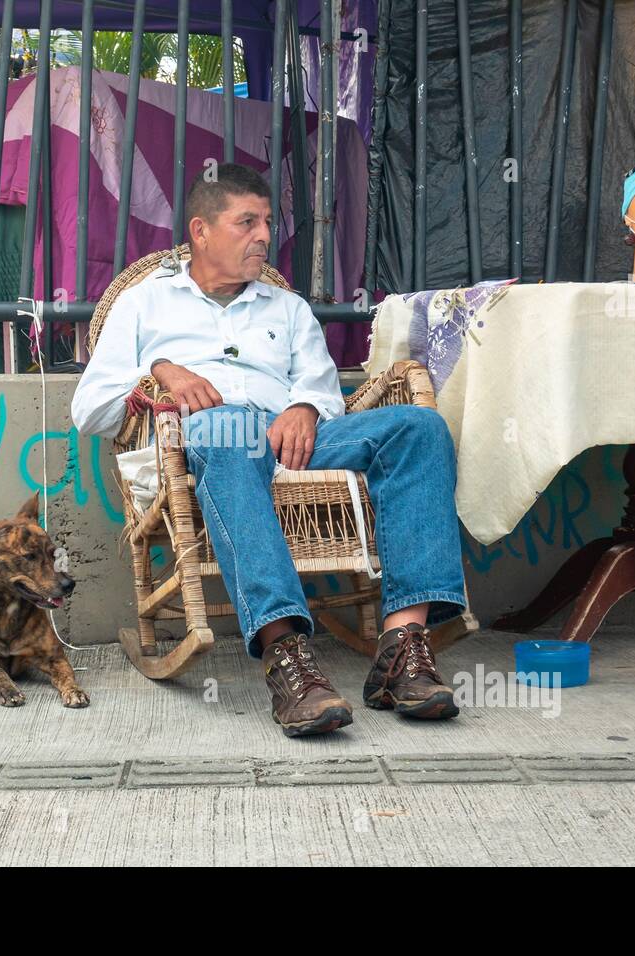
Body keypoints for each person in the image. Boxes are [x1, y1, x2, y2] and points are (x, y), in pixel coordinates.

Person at [71, 163, 467, 738]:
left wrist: (305, 407)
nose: (264, 235)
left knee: (418, 429)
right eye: (247, 222)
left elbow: (325, 392)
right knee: (225, 426)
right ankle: (288, 657)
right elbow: (90, 411)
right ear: (201, 231)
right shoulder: (145, 305)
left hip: (294, 440)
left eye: (267, 222)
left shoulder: (288, 308)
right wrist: (158, 370)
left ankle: (403, 648)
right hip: (208, 440)